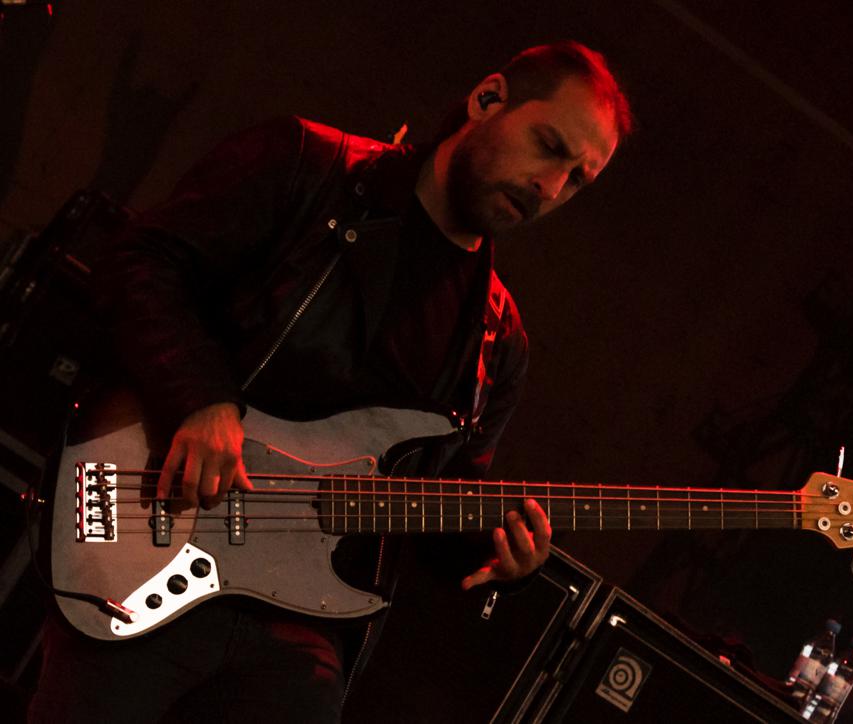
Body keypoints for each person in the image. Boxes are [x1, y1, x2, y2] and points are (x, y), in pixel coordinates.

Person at [29, 40, 632, 723]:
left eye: (577, 181)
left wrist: (501, 553)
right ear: (488, 99)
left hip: (300, 628)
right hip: (159, 534)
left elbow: (437, 495)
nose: (550, 186)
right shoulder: (308, 165)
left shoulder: (499, 339)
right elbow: (140, 261)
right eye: (549, 147)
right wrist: (198, 399)